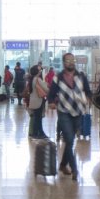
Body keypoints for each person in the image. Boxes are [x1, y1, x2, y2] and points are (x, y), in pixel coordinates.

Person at [48, 53, 91, 182]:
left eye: (73, 60)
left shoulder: (81, 76)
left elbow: (88, 92)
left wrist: (87, 99)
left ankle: (62, 165)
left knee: (69, 141)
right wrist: (51, 102)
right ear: (63, 63)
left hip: (78, 112)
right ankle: (74, 169)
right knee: (70, 139)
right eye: (68, 60)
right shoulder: (58, 78)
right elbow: (51, 94)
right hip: (64, 112)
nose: (71, 62)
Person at [28, 64, 49, 139]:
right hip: (38, 101)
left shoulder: (32, 79)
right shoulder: (37, 79)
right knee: (38, 119)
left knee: (37, 118)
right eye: (39, 70)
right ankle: (38, 134)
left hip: (33, 101)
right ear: (36, 71)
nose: (40, 71)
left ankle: (37, 133)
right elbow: (46, 89)